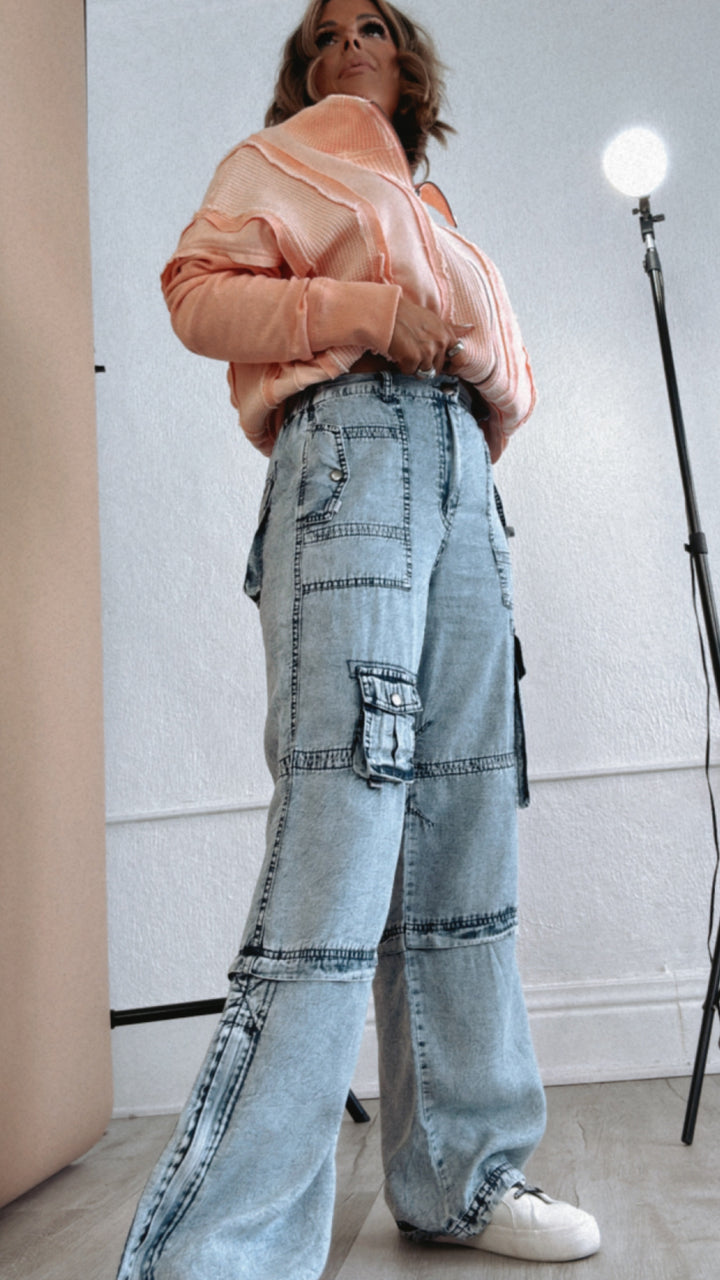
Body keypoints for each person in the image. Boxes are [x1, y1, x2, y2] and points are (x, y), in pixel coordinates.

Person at [116, 3, 600, 1277]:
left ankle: (461, 1171)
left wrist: (462, 380)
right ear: (305, 69)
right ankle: (222, 1247)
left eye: (376, 23)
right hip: (353, 450)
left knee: (465, 817)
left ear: (410, 64)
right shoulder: (275, 163)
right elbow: (196, 296)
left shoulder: (430, 209)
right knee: (343, 824)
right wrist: (370, 311)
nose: (352, 39)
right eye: (327, 30)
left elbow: (502, 366)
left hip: (458, 472)